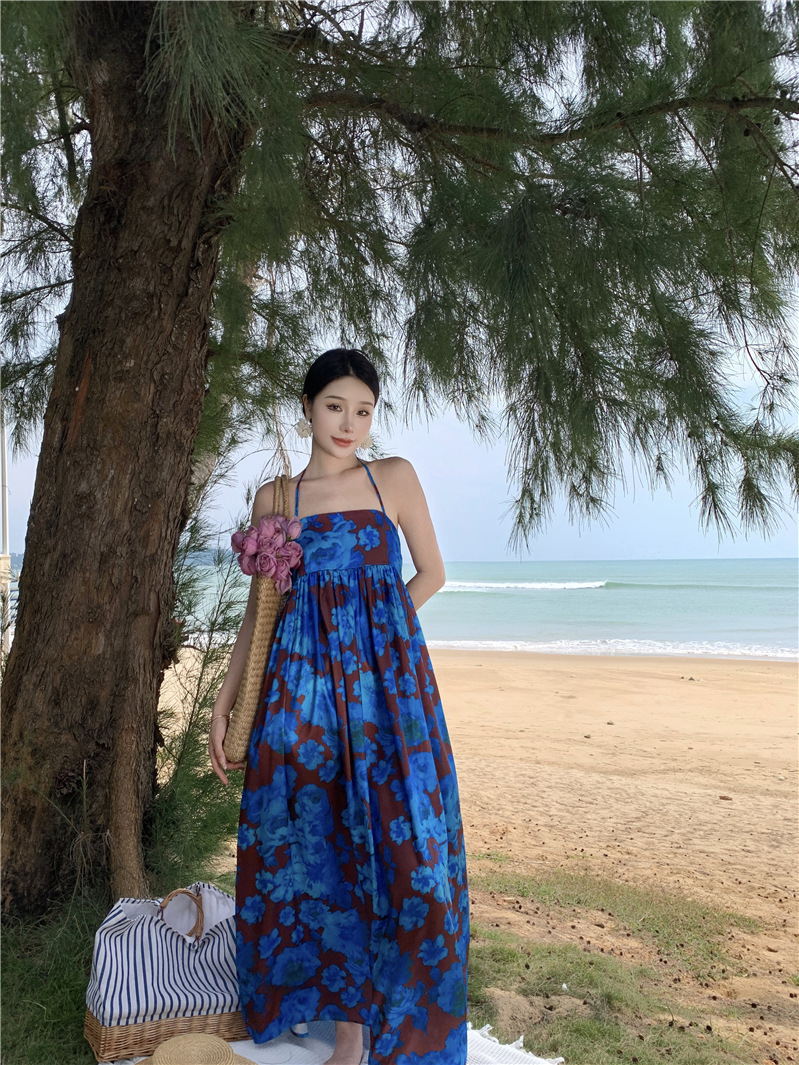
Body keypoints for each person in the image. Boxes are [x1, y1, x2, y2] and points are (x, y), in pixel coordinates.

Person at [209, 349, 469, 1065]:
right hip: (300, 693)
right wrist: (227, 700)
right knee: (315, 843)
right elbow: (259, 614)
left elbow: (432, 573)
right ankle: (347, 1036)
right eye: (334, 406)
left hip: (388, 693)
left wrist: (378, 634)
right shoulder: (276, 500)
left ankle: (401, 1017)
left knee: (409, 851)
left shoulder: (393, 478)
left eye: (363, 410)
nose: (349, 423)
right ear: (307, 406)